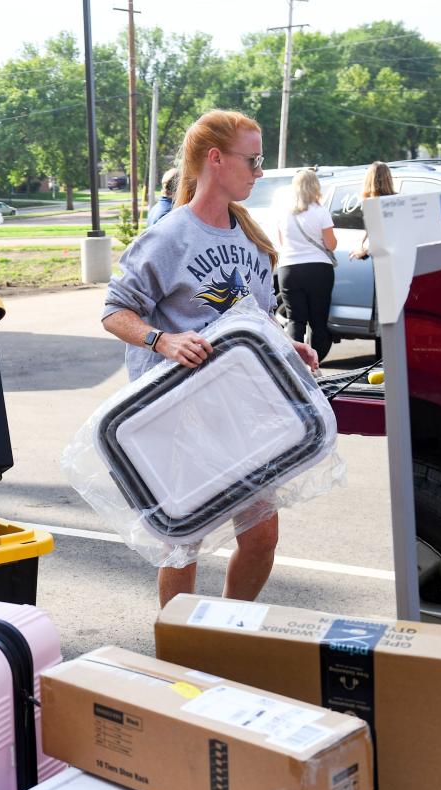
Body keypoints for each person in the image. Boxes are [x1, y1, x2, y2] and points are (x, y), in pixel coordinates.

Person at [101, 109, 319, 608]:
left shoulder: (249, 233)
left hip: (242, 413)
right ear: (216, 160)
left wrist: (288, 346)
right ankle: (180, 648)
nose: (260, 171)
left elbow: (253, 318)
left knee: (262, 538)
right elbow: (115, 312)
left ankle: (226, 633)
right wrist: (164, 341)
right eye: (254, 159)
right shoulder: (168, 236)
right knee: (183, 544)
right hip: (181, 415)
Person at [276, 169, 337, 362]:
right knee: (318, 321)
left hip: (289, 269)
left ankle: (295, 363)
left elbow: (281, 243)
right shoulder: (321, 212)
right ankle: (316, 364)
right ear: (315, 187)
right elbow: (331, 244)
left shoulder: (283, 213)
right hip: (319, 269)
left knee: (296, 319)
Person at [349, 161, 395, 261]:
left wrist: (364, 250)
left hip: (381, 261)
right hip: (398, 260)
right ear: (388, 179)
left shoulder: (372, 205)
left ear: (369, 180)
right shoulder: (399, 201)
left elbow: (380, 239)